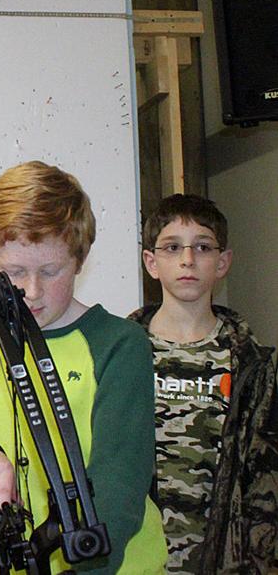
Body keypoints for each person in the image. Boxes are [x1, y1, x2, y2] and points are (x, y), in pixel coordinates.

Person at [0, 161, 167, 574]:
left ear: (79, 261)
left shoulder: (118, 344)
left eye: (51, 271)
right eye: (15, 272)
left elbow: (118, 492)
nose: (32, 291)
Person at [128, 193, 277, 575]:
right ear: (151, 262)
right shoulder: (121, 354)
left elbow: (266, 480)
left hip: (227, 560)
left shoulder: (254, 365)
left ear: (222, 262)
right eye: (172, 247)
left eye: (203, 247)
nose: (188, 260)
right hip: (137, 556)